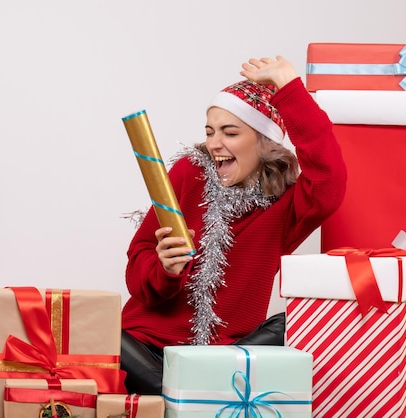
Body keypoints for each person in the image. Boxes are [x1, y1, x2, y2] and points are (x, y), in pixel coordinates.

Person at [120, 55, 347, 394]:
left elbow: (330, 178)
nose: (214, 143)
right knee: (105, 334)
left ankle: (184, 393)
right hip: (146, 347)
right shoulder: (188, 173)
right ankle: (185, 395)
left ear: (264, 142)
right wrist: (164, 268)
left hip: (224, 354)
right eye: (210, 131)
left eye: (230, 132)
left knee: (293, 324)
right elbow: (138, 263)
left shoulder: (286, 204)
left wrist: (290, 88)